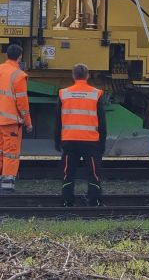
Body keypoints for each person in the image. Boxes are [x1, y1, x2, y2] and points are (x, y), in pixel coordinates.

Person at [55, 63, 107, 207]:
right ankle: (95, 200)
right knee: (94, 173)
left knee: (68, 172)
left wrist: (57, 140)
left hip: (69, 140)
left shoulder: (64, 93)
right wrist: (102, 142)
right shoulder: (96, 94)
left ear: (73, 76)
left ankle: (67, 201)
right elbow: (102, 122)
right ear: (88, 76)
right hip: (90, 141)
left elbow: (58, 120)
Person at [0, 44, 32, 193]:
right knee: (11, 153)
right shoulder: (19, 75)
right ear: (20, 57)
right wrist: (28, 123)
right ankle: (7, 186)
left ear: (6, 55)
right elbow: (23, 103)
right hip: (11, 122)